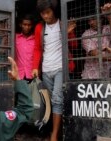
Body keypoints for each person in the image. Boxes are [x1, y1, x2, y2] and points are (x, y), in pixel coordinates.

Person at [32, 0, 77, 140]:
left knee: (57, 100)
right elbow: (38, 49)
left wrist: (68, 33)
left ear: (53, 11)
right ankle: (58, 130)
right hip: (46, 70)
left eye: (48, 12)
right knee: (51, 102)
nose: (45, 16)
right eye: (42, 13)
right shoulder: (40, 27)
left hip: (60, 68)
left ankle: (54, 135)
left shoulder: (62, 24)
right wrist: (35, 66)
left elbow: (75, 46)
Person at [81, 5, 111, 79]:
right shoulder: (86, 35)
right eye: (89, 20)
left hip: (106, 75)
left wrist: (110, 17)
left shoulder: (107, 28)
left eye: (93, 19)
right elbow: (94, 53)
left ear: (100, 19)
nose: (91, 22)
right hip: (90, 77)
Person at [15, 14, 35, 82]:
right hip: (19, 74)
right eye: (25, 24)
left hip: (32, 74)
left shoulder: (35, 39)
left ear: (32, 26)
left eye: (29, 25)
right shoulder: (15, 38)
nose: (27, 27)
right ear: (21, 25)